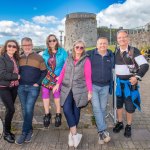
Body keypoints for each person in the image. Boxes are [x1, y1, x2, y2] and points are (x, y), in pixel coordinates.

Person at [53, 40, 92, 148]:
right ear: (74, 47)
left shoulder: (86, 60)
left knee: (76, 110)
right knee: (66, 109)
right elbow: (63, 72)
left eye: (81, 47)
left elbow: (88, 77)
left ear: (84, 49)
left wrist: (90, 91)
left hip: (80, 89)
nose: (79, 49)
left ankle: (71, 133)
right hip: (66, 88)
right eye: (77, 47)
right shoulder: (69, 58)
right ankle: (75, 134)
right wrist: (57, 84)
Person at [113, 30, 149, 138]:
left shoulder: (133, 51)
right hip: (118, 84)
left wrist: (137, 77)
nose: (122, 39)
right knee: (118, 105)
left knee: (129, 106)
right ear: (117, 39)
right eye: (119, 38)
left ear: (128, 38)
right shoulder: (116, 51)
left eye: (124, 37)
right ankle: (120, 123)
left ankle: (128, 126)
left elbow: (145, 65)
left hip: (129, 84)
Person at [15, 37, 47, 145]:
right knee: (25, 110)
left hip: (33, 88)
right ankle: (30, 130)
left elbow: (44, 72)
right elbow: (16, 71)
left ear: (32, 45)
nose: (27, 47)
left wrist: (37, 83)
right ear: (22, 46)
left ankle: (24, 133)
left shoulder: (39, 58)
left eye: (29, 45)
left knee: (28, 109)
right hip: (21, 87)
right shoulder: (19, 58)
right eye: (25, 45)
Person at [87, 37, 114, 144]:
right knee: (97, 108)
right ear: (97, 45)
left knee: (102, 109)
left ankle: (100, 134)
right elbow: (77, 55)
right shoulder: (91, 54)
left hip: (105, 86)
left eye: (104, 43)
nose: (102, 45)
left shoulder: (111, 55)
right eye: (100, 43)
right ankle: (103, 131)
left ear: (107, 44)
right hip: (93, 86)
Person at [41, 34, 67, 128]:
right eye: (50, 41)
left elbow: (66, 66)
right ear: (47, 42)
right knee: (44, 91)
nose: (52, 42)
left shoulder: (62, 52)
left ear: (56, 41)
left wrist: (59, 77)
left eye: (53, 40)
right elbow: (43, 66)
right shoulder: (45, 53)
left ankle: (58, 114)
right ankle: (47, 114)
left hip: (59, 77)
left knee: (56, 92)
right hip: (49, 76)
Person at [0, 40, 20, 143]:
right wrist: (17, 76)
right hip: (4, 87)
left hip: (14, 87)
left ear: (16, 48)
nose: (11, 48)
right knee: (11, 109)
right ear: (6, 47)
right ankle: (6, 133)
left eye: (14, 46)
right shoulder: (2, 58)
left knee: (9, 110)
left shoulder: (16, 58)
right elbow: (2, 74)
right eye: (9, 46)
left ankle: (8, 131)